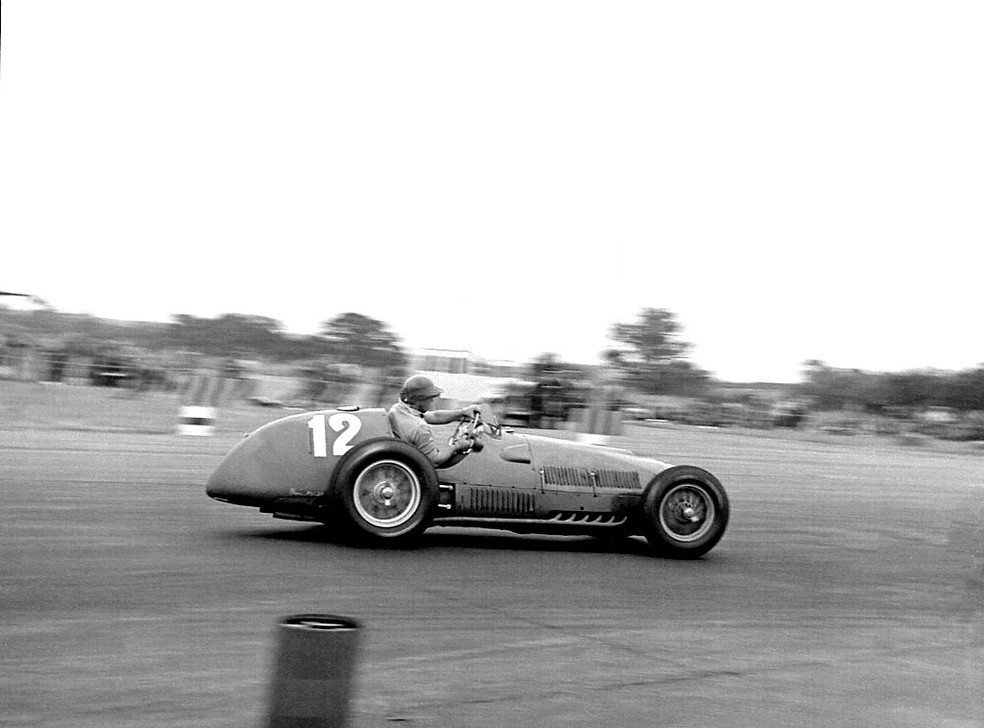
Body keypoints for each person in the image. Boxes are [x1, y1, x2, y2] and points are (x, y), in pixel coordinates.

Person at [388, 375, 481, 466]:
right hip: (412, 465)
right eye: (430, 398)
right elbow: (435, 460)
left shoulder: (399, 410)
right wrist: (457, 447)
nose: (433, 401)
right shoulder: (420, 427)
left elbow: (435, 416)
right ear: (419, 400)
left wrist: (463, 412)